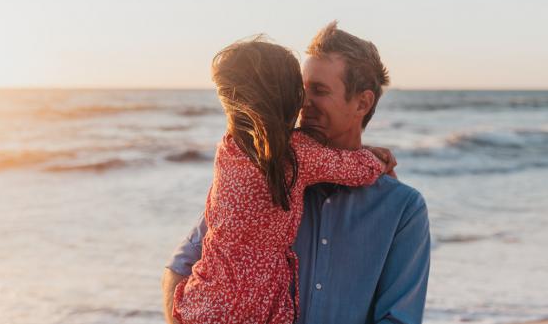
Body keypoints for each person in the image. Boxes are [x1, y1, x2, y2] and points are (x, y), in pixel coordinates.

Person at [162, 21, 431, 324]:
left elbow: (399, 319)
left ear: (362, 102)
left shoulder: (402, 209)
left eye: (319, 91)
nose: (303, 102)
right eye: (300, 89)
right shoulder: (265, 172)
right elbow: (180, 267)